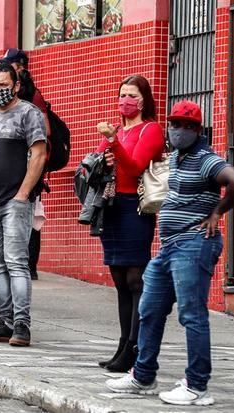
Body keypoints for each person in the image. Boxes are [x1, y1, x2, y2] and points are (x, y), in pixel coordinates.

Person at [105, 100, 234, 406]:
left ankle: (196, 386)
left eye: (187, 126)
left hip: (193, 245)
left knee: (191, 315)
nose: (179, 131)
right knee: (149, 308)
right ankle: (143, 376)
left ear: (198, 130)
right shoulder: (179, 158)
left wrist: (217, 213)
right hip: (169, 247)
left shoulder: (206, 159)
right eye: (175, 125)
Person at [0, 62, 47, 346]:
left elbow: (38, 155)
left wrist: (22, 195)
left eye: (3, 85)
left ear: (15, 85)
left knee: (16, 263)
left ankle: (22, 325)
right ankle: (4, 322)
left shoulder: (29, 113)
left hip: (14, 203)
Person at [92, 75, 166, 372]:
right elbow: (96, 160)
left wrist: (113, 143)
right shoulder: (117, 130)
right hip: (110, 207)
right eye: (122, 94)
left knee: (136, 279)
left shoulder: (151, 130)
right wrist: (103, 156)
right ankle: (124, 344)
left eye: (132, 95)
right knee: (120, 280)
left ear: (144, 99)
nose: (125, 100)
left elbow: (135, 167)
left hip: (134, 207)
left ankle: (136, 346)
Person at [0, 48, 50, 280]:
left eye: (10, 65)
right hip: (7, 169)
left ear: (20, 68)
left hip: (30, 167)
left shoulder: (32, 96)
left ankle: (30, 265)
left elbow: (45, 131)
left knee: (29, 216)